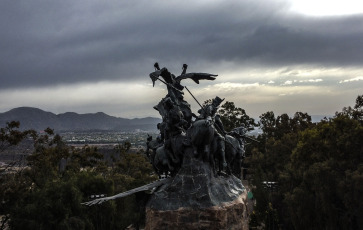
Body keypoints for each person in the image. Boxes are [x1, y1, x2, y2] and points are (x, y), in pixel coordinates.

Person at [198, 96, 227, 169]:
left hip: (201, 120)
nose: (218, 105)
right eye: (218, 103)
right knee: (220, 138)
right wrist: (209, 117)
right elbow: (209, 116)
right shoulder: (211, 107)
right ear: (216, 102)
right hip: (206, 123)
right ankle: (223, 161)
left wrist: (202, 110)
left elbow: (199, 111)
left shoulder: (209, 106)